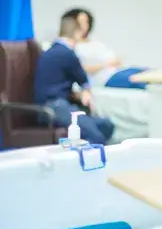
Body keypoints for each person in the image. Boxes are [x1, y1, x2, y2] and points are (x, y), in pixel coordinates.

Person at [34, 15, 115, 145]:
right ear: (77, 33)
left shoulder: (50, 51)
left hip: (52, 106)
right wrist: (86, 92)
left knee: (106, 125)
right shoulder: (67, 53)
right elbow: (84, 80)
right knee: (96, 136)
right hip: (55, 106)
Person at [62, 8, 148, 90]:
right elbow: (78, 69)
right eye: (81, 22)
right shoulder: (71, 46)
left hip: (119, 70)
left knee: (148, 72)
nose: (84, 25)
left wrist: (116, 61)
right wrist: (106, 65)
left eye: (86, 22)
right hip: (105, 78)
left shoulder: (94, 41)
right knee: (142, 80)